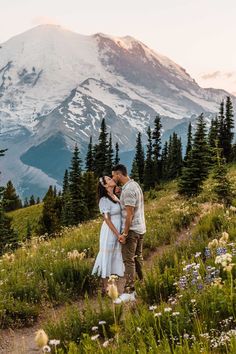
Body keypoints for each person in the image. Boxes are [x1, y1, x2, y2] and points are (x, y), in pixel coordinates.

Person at [112, 164, 146, 304]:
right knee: (137, 257)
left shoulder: (128, 190)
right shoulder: (134, 185)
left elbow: (129, 215)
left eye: (114, 175)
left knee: (129, 260)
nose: (113, 177)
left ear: (119, 175)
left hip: (132, 231)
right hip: (141, 228)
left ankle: (129, 291)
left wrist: (125, 234)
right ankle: (142, 284)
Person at [92, 176, 124, 294]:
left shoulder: (114, 196)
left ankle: (113, 284)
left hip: (117, 229)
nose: (112, 180)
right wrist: (117, 234)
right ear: (105, 185)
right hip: (110, 232)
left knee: (115, 255)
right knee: (107, 256)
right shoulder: (104, 200)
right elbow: (106, 219)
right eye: (109, 180)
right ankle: (105, 288)